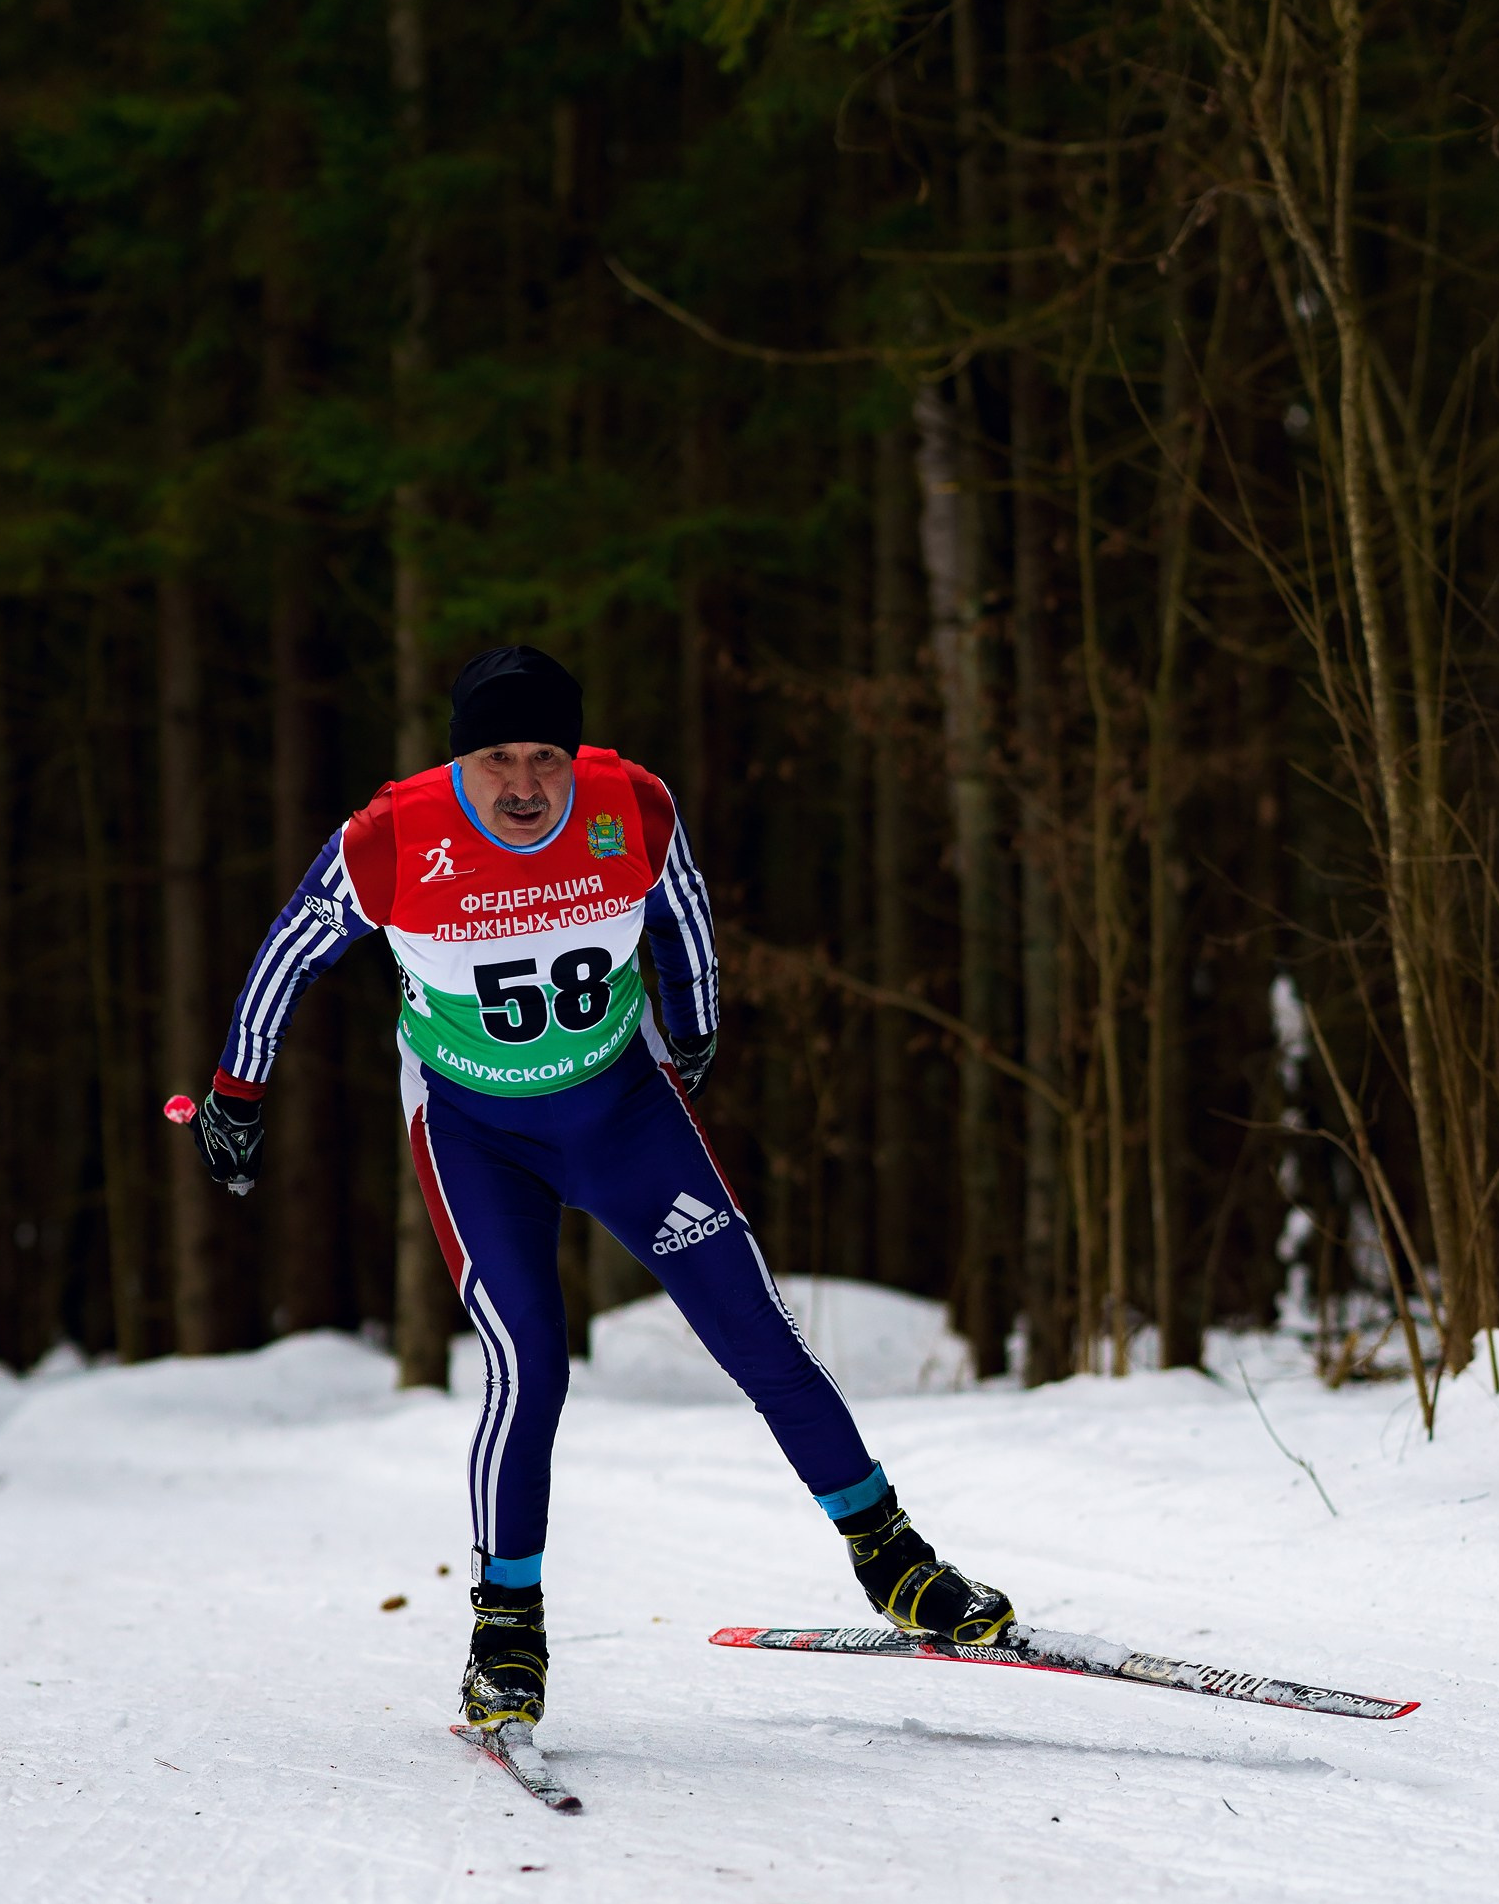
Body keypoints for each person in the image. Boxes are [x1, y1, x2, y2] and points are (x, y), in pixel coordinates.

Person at [188, 643, 1013, 1737]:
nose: (525, 784)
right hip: (477, 1130)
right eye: (497, 759)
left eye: (547, 757)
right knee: (529, 1362)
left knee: (755, 1327)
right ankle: (506, 1630)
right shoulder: (392, 836)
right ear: (458, 761)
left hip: (623, 1109)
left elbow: (684, 913)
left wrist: (697, 1022)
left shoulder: (631, 804)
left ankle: (892, 1557)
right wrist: (235, 1094)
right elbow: (288, 952)